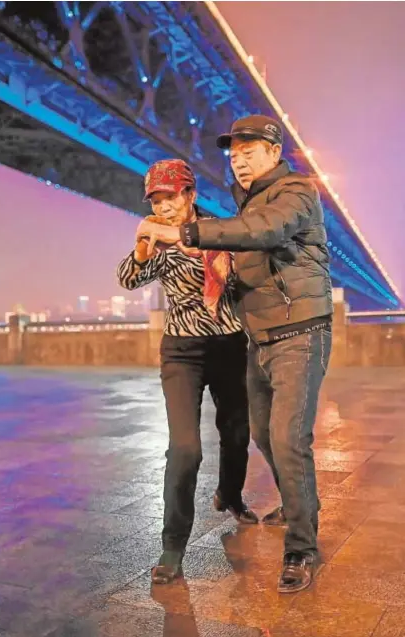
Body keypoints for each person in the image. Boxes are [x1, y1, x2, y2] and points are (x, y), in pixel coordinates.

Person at [137, 115, 333, 594]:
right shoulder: (243, 206)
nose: (239, 159)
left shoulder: (296, 192)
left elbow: (264, 230)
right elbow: (240, 256)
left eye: (249, 151)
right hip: (259, 338)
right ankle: (296, 497)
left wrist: (185, 233)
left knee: (287, 439)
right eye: (233, 154)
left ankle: (301, 549)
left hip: (300, 332)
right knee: (263, 434)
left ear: (273, 152)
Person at [117, 158, 258, 585]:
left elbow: (246, 283)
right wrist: (142, 251)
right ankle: (173, 546)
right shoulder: (156, 241)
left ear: (190, 196)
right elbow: (127, 280)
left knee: (236, 433)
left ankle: (230, 494)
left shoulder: (220, 232)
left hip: (229, 345)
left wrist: (219, 265)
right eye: (156, 201)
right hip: (182, 351)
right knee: (185, 449)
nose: (163, 208)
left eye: (170, 198)